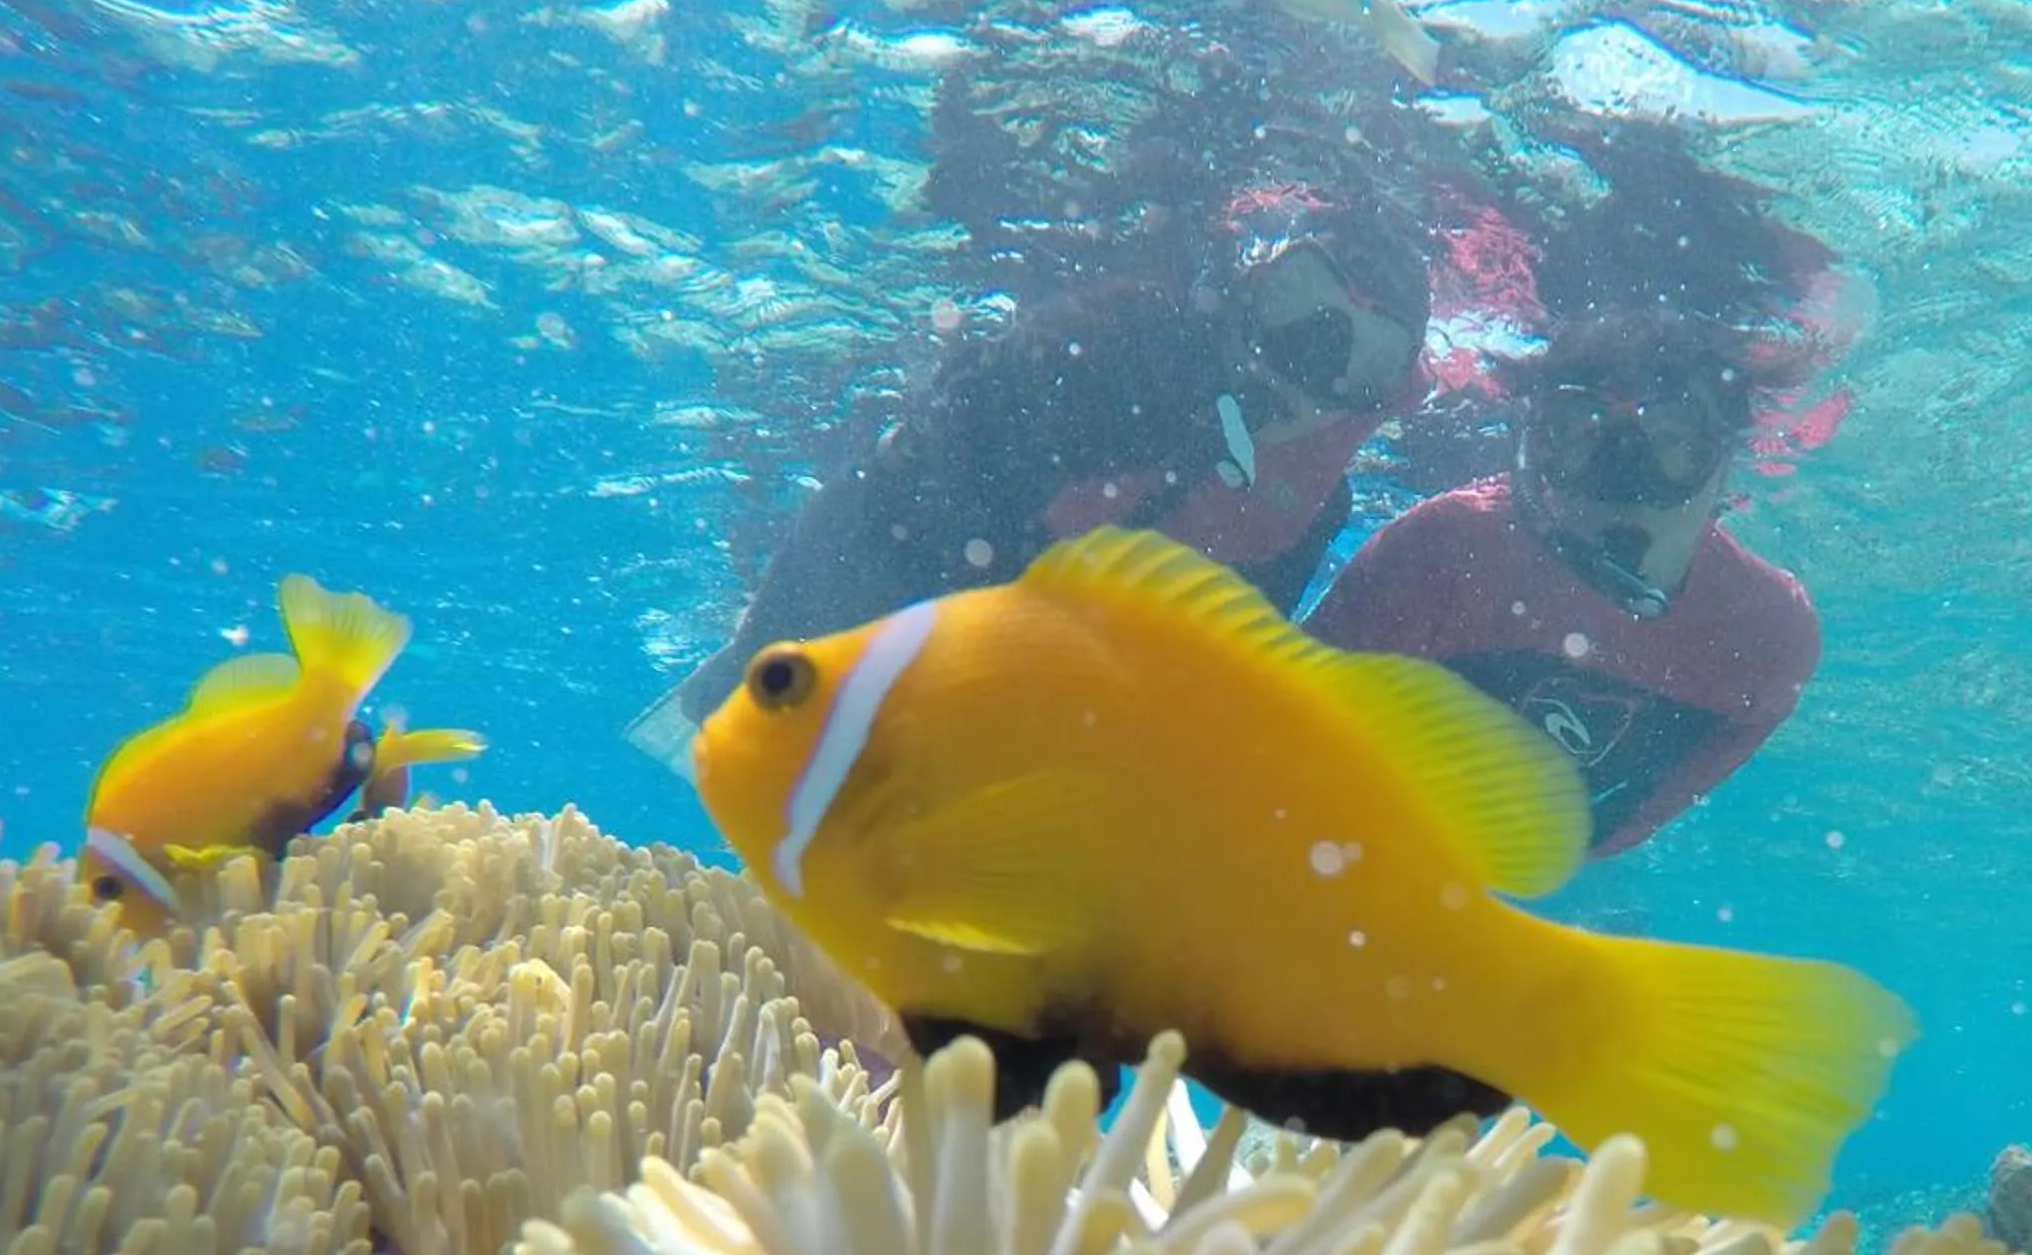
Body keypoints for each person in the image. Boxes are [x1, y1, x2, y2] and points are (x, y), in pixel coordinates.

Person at [628, 187, 1432, 771]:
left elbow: (1214, 669)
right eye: (1305, 304)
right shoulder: (1126, 340)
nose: (1310, 357)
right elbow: (912, 484)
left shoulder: (1320, 508)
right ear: (1255, 283)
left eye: (1361, 358)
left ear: (1382, 399)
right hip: (885, 599)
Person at [1296, 309, 1821, 859]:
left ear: (1724, 464)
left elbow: (1616, 832)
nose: (1625, 473)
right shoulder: (1444, 551)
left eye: (1672, 439)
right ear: (1537, 448)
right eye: (1580, 431)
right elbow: (1283, 735)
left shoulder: (1769, 640)